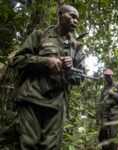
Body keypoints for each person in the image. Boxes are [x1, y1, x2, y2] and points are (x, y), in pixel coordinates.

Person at [9, 4, 85, 150]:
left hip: (56, 104)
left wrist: (70, 69)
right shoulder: (40, 35)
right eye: (72, 16)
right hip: (32, 98)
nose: (75, 21)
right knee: (28, 144)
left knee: (51, 147)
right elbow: (18, 60)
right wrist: (45, 62)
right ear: (60, 14)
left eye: (77, 19)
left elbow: (80, 77)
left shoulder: (76, 47)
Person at [97, 68, 118, 150]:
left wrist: (113, 94)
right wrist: (99, 115)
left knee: (113, 135)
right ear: (104, 77)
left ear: (112, 76)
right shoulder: (104, 88)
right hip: (104, 114)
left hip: (114, 114)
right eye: (106, 76)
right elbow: (101, 102)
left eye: (109, 76)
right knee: (103, 133)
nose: (108, 78)